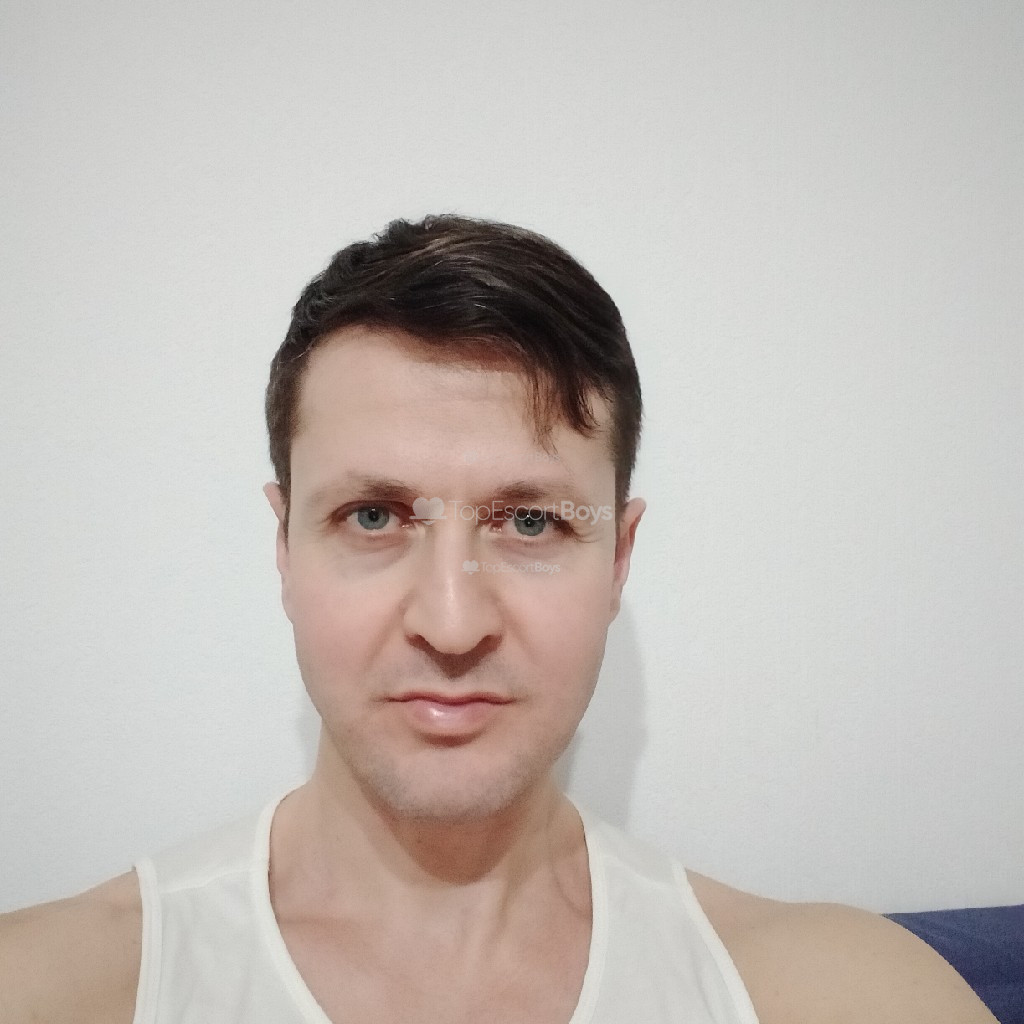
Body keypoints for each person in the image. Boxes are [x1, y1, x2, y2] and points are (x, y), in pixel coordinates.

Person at [0, 215, 997, 1023]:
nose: (450, 622)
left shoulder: (837, 992)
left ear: (618, 558)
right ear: (284, 548)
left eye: (530, 521)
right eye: (374, 516)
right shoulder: (53, 989)